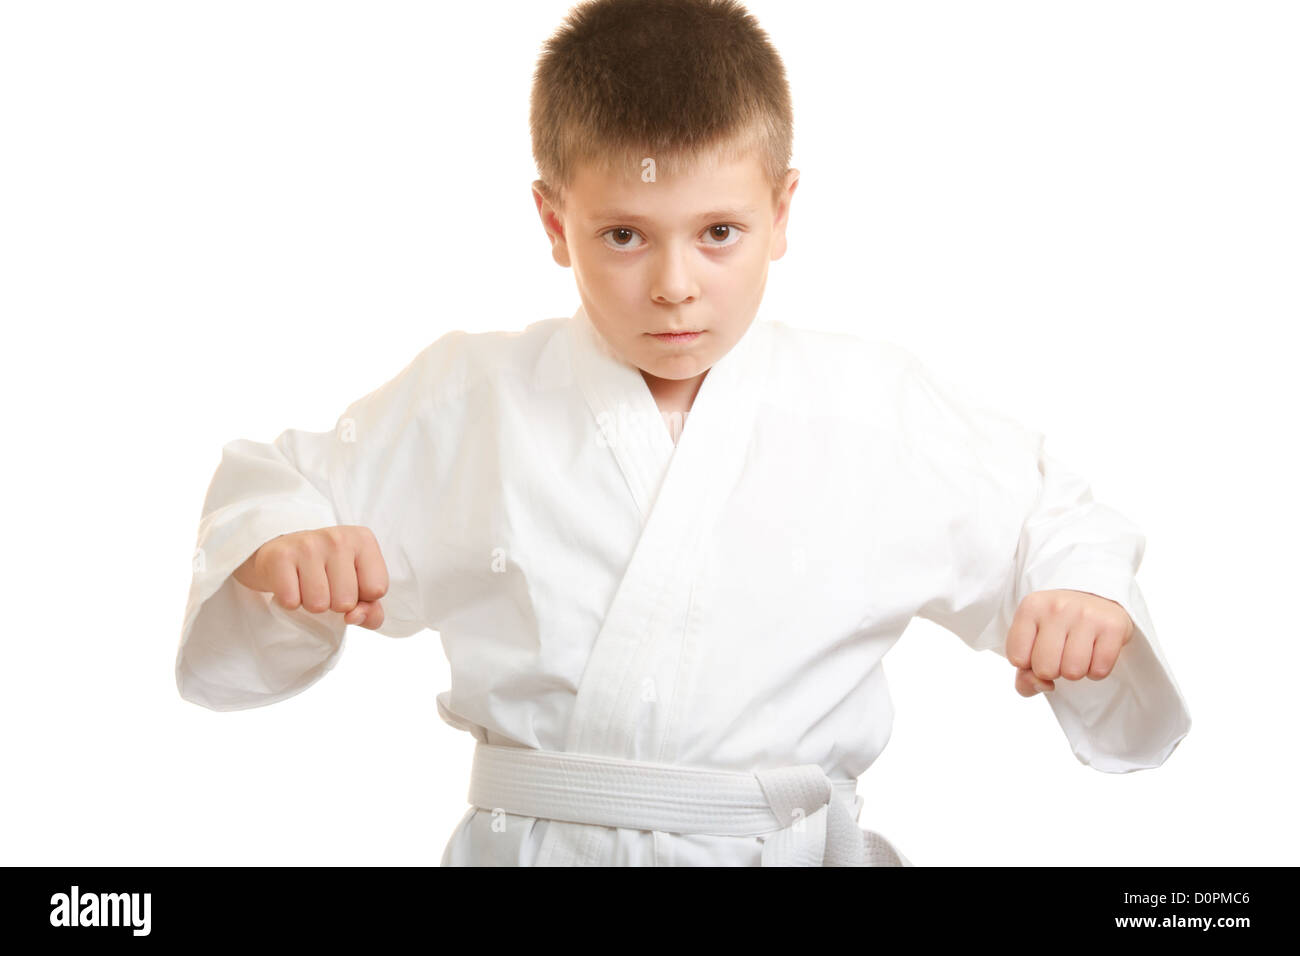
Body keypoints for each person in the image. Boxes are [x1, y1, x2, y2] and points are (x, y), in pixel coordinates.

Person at [175, 0, 1191, 866]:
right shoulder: (474, 398)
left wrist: (1078, 594)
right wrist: (283, 546)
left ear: (782, 210)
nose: (673, 283)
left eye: (718, 232)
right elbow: (280, 482)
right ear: (551, 220)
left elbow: (1050, 519)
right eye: (623, 234)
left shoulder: (871, 407)